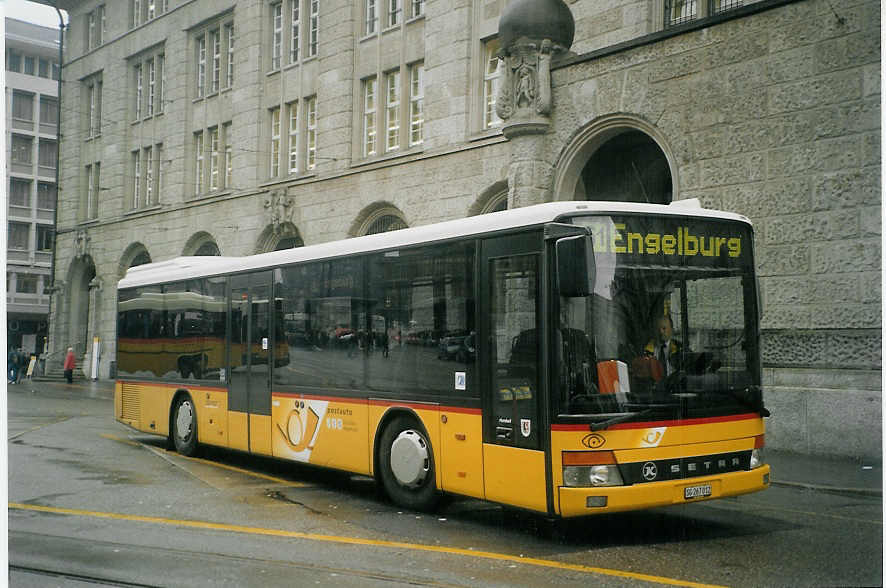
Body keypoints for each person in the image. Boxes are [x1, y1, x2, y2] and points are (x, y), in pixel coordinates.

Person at [644, 315, 681, 379]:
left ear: (671, 330)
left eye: (664, 328)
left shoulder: (680, 348)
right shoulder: (647, 349)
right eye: (658, 329)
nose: (661, 332)